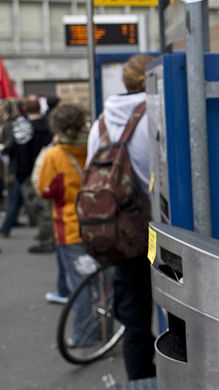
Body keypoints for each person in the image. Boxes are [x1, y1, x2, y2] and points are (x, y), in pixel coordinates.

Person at [87, 54, 155, 381]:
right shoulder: (158, 114)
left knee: (135, 324)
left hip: (121, 234)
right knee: (181, 318)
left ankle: (140, 382)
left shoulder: (100, 122)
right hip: (160, 231)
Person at [36, 104, 97, 344]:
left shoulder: (55, 155)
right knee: (103, 282)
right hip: (100, 224)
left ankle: (84, 334)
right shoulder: (94, 145)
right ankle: (105, 328)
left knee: (80, 285)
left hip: (70, 227)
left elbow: (45, 189)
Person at [0, 96, 52, 237]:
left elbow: (21, 152)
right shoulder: (49, 125)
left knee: (31, 202)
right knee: (40, 203)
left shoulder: (23, 127)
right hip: (45, 171)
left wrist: (21, 173)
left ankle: (44, 235)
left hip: (26, 172)